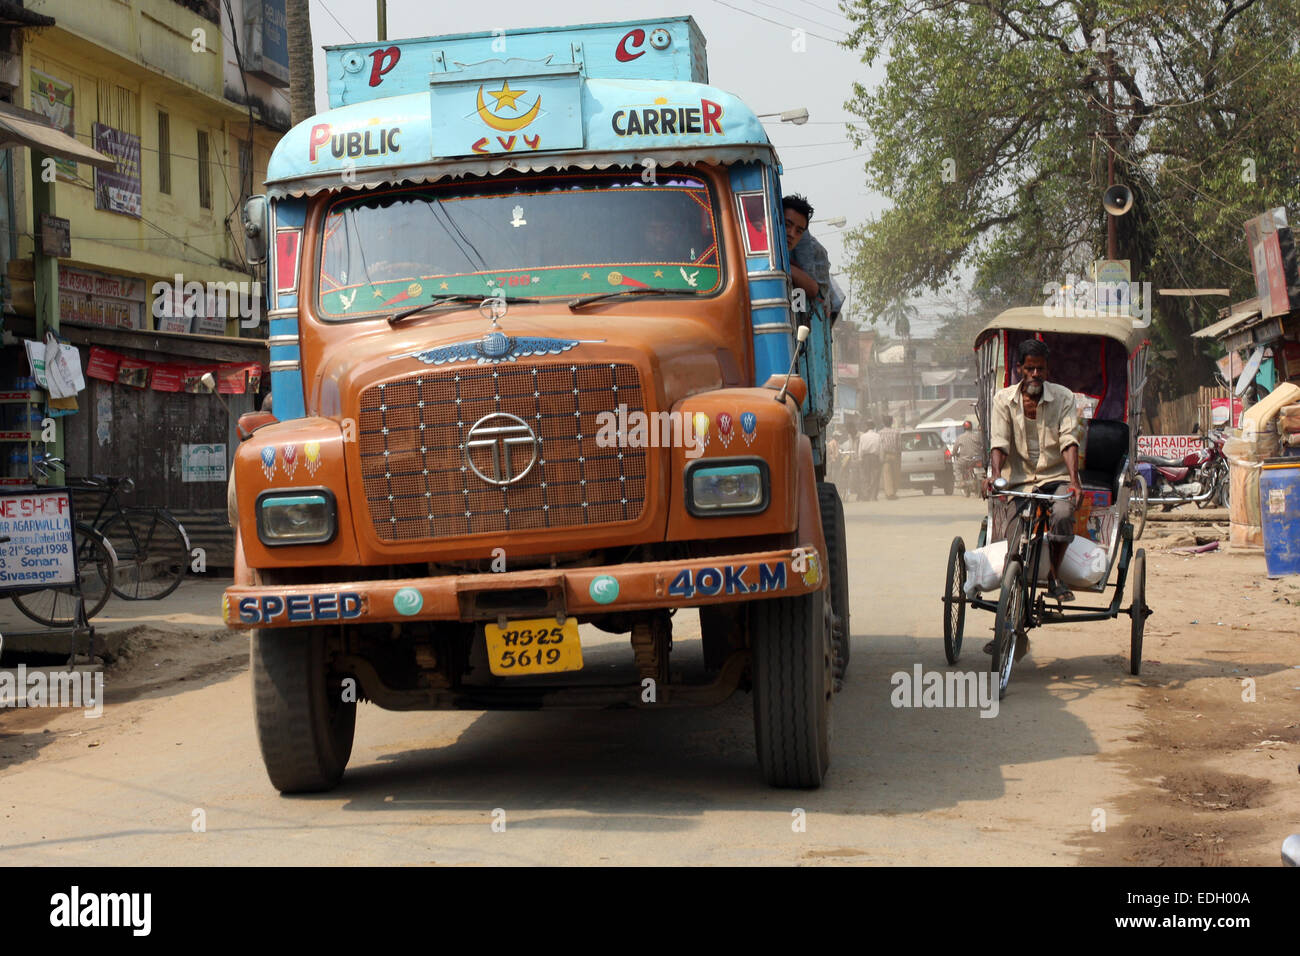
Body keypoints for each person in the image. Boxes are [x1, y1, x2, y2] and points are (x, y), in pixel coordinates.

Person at [985, 338, 1084, 622]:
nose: (1035, 375)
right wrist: (994, 477)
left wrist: (1074, 481)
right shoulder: (1003, 400)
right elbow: (1000, 443)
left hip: (1056, 476)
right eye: (1030, 369)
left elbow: (1068, 440)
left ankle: (1054, 575)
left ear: (1047, 370)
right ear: (1019, 369)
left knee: (1064, 514)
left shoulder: (1064, 397)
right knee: (1013, 548)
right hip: (1019, 481)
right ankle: (1005, 626)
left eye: (1040, 369)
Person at [955, 419, 982, 491]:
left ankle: (961, 482)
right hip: (976, 459)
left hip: (964, 460)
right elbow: (982, 445)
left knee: (957, 467)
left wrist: (954, 454)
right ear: (971, 427)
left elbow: (955, 449)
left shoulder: (960, 437)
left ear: (964, 428)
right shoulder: (976, 436)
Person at [857, 419, 881, 501]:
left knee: (865, 477)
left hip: (865, 458)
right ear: (874, 426)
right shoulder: (878, 436)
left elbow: (860, 449)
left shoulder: (863, 436)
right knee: (875, 476)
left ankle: (866, 495)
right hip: (875, 457)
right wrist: (880, 458)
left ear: (867, 426)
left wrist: (860, 458)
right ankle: (873, 496)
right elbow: (880, 448)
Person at [879, 415, 901, 499]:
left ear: (883, 422)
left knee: (887, 474)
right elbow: (899, 445)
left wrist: (881, 457)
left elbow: (880, 445)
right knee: (895, 474)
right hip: (895, 454)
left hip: (885, 455)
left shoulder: (880, 432)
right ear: (891, 422)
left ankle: (889, 493)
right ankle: (893, 492)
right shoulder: (896, 432)